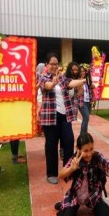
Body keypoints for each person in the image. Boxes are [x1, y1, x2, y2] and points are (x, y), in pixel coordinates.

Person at [55, 132, 109, 216]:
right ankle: (63, 205)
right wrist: (71, 169)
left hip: (93, 196)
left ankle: (90, 207)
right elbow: (61, 174)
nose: (89, 153)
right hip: (76, 197)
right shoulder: (75, 160)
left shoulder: (97, 157)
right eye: (85, 150)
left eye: (91, 149)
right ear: (78, 149)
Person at [40, 53, 86, 184]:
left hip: (65, 116)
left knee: (69, 141)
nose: (55, 66)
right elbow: (47, 86)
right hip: (50, 117)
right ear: (47, 65)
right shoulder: (43, 77)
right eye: (52, 64)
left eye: (56, 63)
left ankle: (68, 171)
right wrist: (53, 83)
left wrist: (83, 80)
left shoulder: (63, 78)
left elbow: (71, 83)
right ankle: (51, 174)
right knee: (51, 146)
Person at [77, 64, 95, 135]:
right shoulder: (78, 81)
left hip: (88, 101)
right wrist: (81, 82)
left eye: (83, 71)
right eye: (81, 72)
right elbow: (77, 91)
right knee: (86, 117)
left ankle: (85, 133)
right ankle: (83, 134)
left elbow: (92, 87)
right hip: (81, 102)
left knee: (86, 119)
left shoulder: (87, 80)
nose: (82, 73)